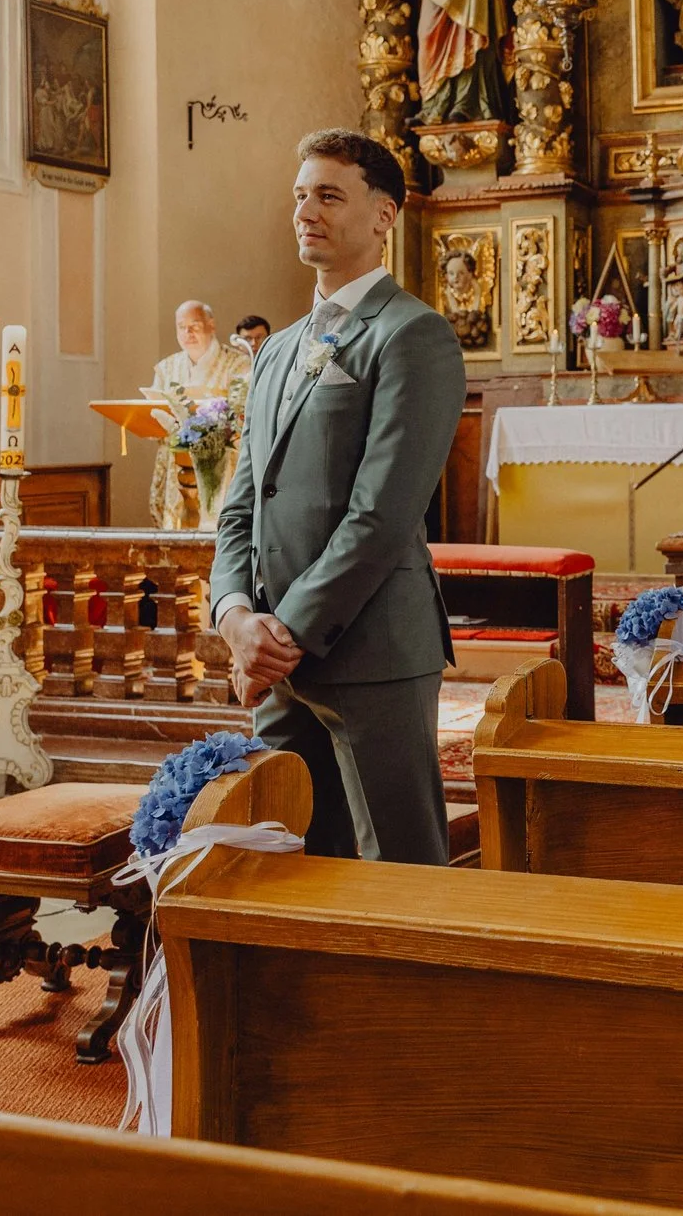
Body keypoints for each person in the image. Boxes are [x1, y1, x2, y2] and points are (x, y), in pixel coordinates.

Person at [211, 129, 467, 864]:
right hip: (276, 658)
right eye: (299, 196)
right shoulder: (278, 350)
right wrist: (234, 618)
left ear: (384, 216)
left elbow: (382, 517)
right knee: (295, 865)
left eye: (328, 194)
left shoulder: (413, 335)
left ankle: (417, 988)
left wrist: (278, 636)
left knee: (400, 872)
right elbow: (242, 504)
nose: (305, 211)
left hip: (371, 649)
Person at [149, 300, 251, 528]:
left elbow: (243, 414)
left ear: (211, 325)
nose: (188, 333)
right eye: (181, 327)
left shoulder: (238, 365)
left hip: (222, 467)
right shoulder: (166, 368)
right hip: (177, 465)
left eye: (194, 325)